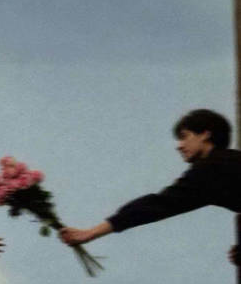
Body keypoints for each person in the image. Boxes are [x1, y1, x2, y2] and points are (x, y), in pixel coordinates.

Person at [60, 109, 241, 265]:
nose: (179, 146)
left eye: (184, 137)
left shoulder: (210, 168)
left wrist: (91, 233)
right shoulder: (223, 164)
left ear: (205, 134)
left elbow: (157, 205)